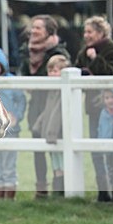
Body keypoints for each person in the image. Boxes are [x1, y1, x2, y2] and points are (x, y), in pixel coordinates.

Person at [17, 14, 70, 198]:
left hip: (54, 107)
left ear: (49, 32)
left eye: (38, 27)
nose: (33, 31)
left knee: (57, 149)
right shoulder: (26, 52)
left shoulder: (59, 54)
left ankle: (61, 188)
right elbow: (23, 75)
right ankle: (41, 188)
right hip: (35, 107)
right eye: (33, 27)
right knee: (37, 150)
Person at [74, 15, 113, 202]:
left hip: (112, 106)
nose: (86, 35)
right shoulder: (84, 51)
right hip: (92, 108)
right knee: (96, 150)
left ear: (101, 32)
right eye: (85, 32)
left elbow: (112, 73)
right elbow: (77, 71)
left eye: (90, 31)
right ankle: (103, 191)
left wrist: (95, 60)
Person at [0, 47, 26, 199]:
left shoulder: (12, 81)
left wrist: (16, 116)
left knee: (9, 164)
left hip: (11, 130)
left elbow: (21, 101)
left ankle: (10, 196)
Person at [31, 54, 70, 197]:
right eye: (50, 71)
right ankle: (57, 191)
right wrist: (38, 126)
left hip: (58, 133)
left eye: (56, 71)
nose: (52, 74)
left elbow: (57, 114)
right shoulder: (51, 91)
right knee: (56, 164)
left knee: (62, 163)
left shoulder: (62, 92)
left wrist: (51, 133)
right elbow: (47, 112)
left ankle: (63, 192)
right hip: (50, 134)